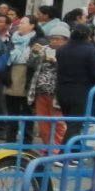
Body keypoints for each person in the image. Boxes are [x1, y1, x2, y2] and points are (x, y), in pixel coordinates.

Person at [56, 24, 95, 145]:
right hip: (81, 91)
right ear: (89, 36)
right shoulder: (90, 51)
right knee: (75, 125)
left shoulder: (62, 50)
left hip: (62, 90)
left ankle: (75, 151)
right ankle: (64, 155)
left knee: (71, 123)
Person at [28, 22, 68, 152]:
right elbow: (31, 65)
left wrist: (55, 61)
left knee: (58, 123)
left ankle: (55, 149)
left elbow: (68, 71)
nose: (54, 41)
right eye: (52, 38)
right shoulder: (44, 49)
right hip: (40, 91)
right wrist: (34, 53)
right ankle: (46, 147)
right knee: (43, 122)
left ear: (66, 40)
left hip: (57, 93)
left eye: (58, 39)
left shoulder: (68, 52)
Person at [4, 14, 39, 142]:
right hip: (12, 76)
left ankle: (26, 140)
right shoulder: (12, 39)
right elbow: (6, 57)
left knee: (27, 111)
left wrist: (36, 53)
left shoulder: (38, 41)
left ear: (32, 26)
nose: (20, 25)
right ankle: (10, 138)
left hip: (27, 78)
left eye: (24, 23)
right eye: (20, 23)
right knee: (11, 110)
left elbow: (38, 62)